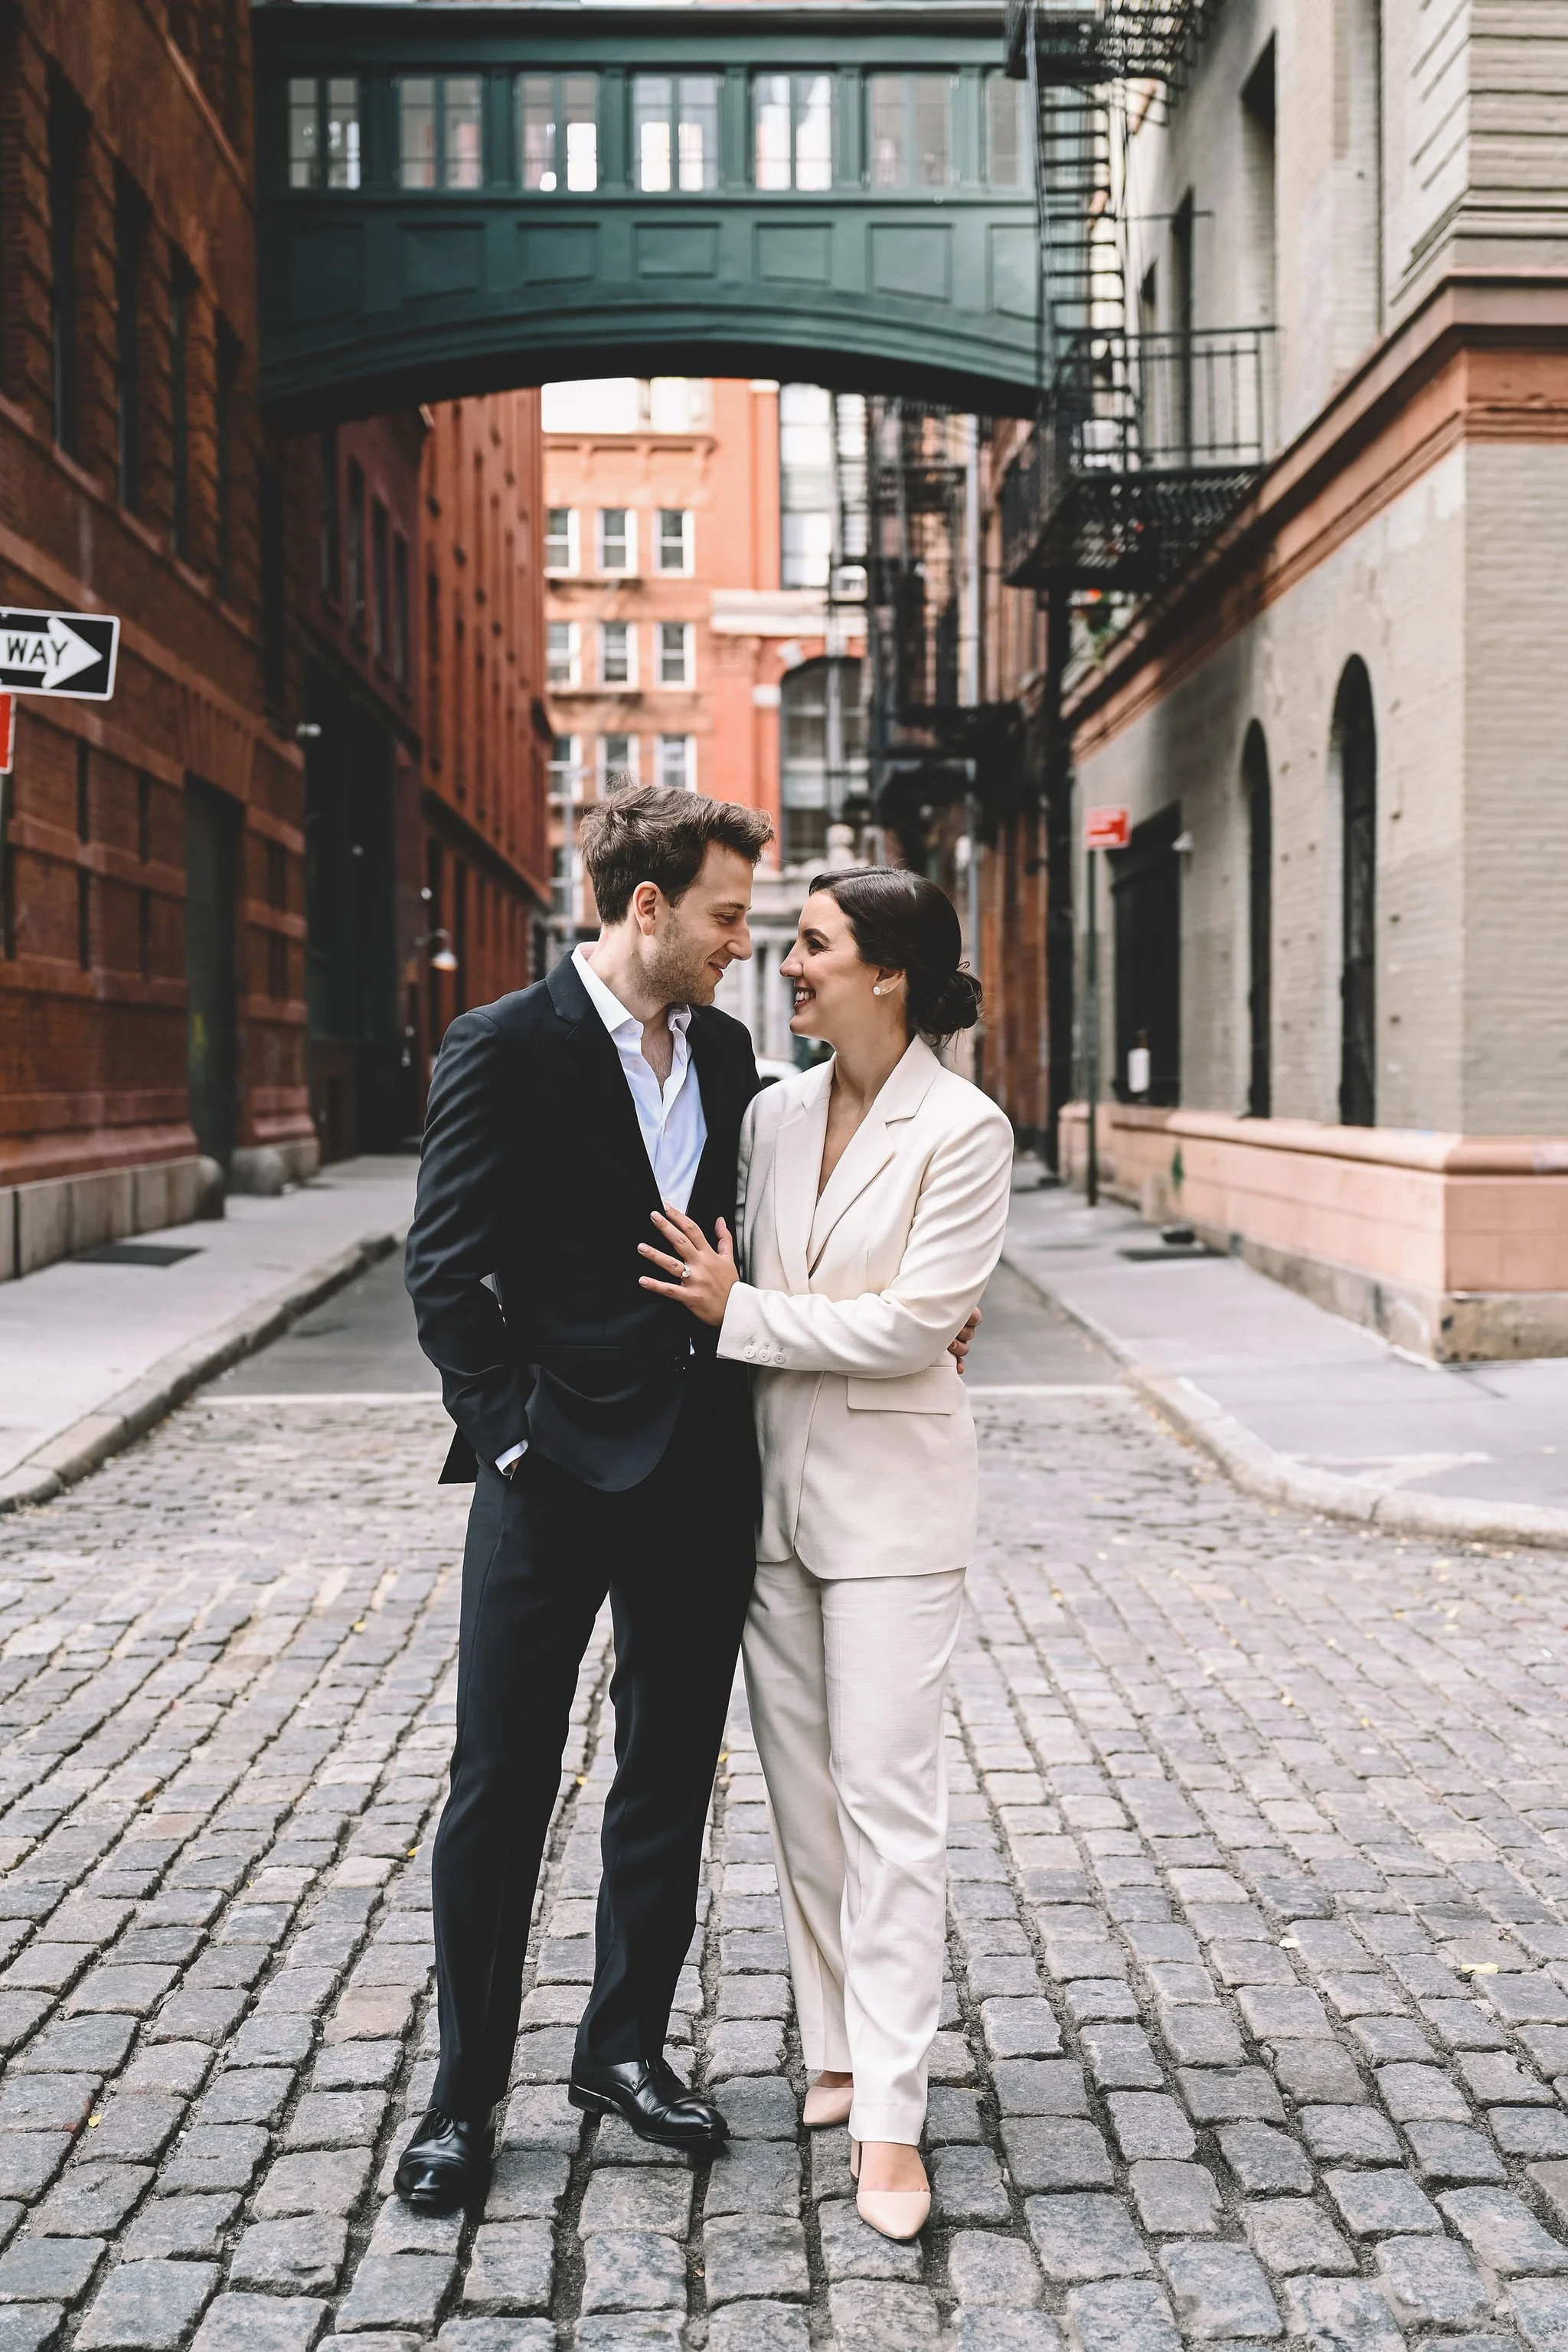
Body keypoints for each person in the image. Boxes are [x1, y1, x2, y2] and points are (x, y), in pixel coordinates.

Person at [395, 782, 773, 2212]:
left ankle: (622, 2048)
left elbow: (751, 1239)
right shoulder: (505, 1046)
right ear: (649, 907)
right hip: (549, 1472)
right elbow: (444, 1269)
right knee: (499, 1785)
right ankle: (462, 2098)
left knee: (668, 1774)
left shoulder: (730, 1054)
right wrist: (506, 1439)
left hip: (699, 1467)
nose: (746, 941)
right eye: (729, 916)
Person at [639, 866, 1014, 2242]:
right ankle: (839, 2042)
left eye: (811, 946)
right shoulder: (774, 1113)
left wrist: (751, 1311)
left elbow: (917, 1328)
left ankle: (896, 2122)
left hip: (896, 1510)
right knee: (802, 1803)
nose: (786, 966)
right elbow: (767, 1274)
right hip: (770, 1505)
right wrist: (763, 1306)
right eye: (789, 944)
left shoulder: (964, 1131)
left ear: (889, 972)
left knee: (888, 1809)